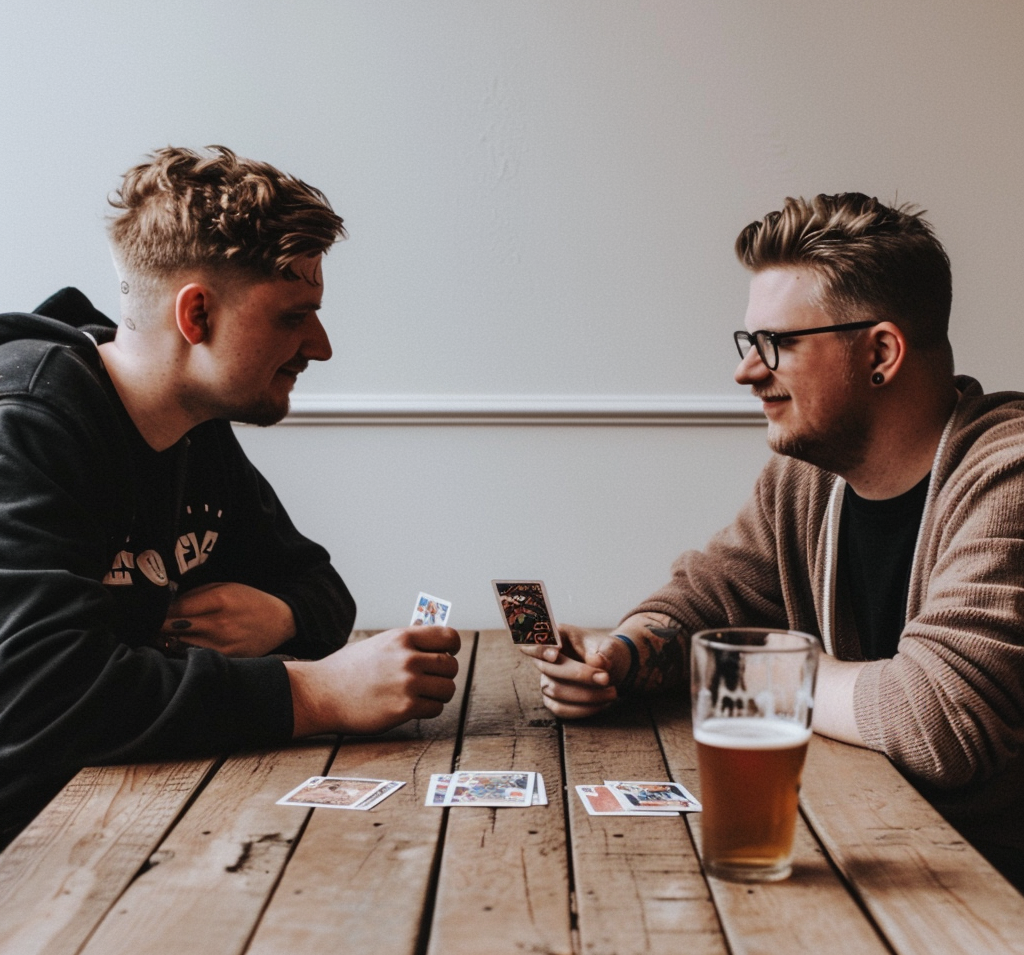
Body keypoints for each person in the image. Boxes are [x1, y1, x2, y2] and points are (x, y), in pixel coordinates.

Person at [526, 193, 1024, 885]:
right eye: (748, 343)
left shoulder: (1009, 474)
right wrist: (622, 657)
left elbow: (934, 718)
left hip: (991, 892)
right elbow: (704, 598)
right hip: (885, 855)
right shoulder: (805, 480)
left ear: (880, 351)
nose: (747, 371)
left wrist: (741, 671)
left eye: (778, 345)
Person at [0, 146, 459, 849]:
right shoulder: (27, 426)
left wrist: (277, 616)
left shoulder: (195, 425)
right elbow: (44, 695)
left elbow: (318, 587)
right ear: (197, 314)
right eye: (293, 315)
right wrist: (314, 693)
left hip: (139, 808)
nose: (321, 346)